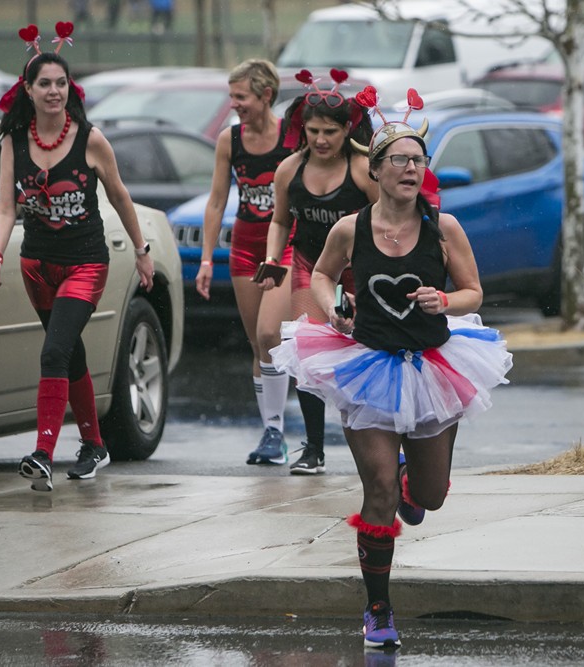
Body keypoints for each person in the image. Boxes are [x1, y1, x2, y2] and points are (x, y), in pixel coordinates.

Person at [270, 95, 513, 648]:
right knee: (377, 490)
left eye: (418, 161)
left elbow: (475, 291)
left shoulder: (443, 227)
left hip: (433, 367)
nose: (410, 169)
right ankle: (377, 610)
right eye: (399, 160)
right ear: (374, 170)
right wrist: (332, 306)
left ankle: (413, 479)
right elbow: (322, 277)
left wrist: (444, 302)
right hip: (368, 367)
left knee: (429, 497)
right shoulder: (350, 229)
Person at [0, 23, 154, 492]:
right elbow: (4, 207)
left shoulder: (90, 140)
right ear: (28, 89)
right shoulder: (13, 140)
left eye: (61, 83)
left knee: (54, 350)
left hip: (85, 262)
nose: (54, 91)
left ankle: (43, 454)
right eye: (45, 84)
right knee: (69, 351)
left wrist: (141, 252)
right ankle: (94, 445)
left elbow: (120, 198)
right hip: (36, 265)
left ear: (69, 89)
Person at [257, 69, 377, 475]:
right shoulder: (288, 169)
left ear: (348, 130)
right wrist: (274, 258)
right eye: (313, 131)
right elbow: (278, 221)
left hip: (358, 271)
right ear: (301, 129)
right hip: (310, 265)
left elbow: (391, 215)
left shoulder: (362, 170)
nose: (321, 140)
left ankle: (382, 438)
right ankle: (313, 448)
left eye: (330, 131)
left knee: (366, 351)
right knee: (307, 352)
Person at [195, 59, 295, 466]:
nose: (234, 104)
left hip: (285, 245)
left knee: (273, 334)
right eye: (231, 96)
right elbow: (217, 200)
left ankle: (285, 428)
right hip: (244, 247)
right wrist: (206, 258)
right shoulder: (228, 140)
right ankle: (272, 431)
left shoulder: (293, 136)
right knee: (258, 341)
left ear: (265, 95)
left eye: (241, 97)